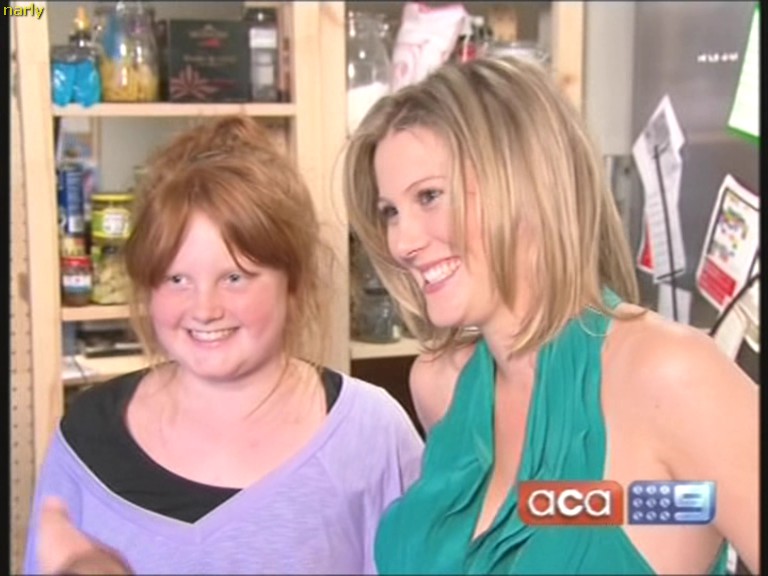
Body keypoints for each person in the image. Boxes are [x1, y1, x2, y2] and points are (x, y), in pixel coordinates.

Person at [342, 57, 758, 575]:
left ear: (527, 184)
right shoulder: (441, 387)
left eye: (430, 196)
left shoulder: (671, 379)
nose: (402, 242)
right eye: (391, 212)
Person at [24, 116, 424, 575]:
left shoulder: (372, 433)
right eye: (177, 279)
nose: (205, 309)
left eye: (235, 277)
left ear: (294, 282)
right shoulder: (85, 441)